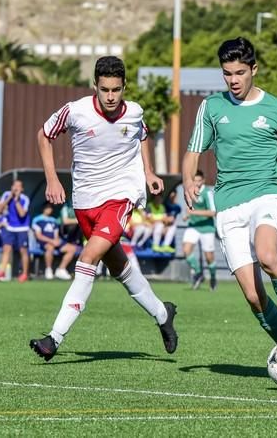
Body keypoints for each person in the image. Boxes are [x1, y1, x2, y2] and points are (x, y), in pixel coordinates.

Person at [182, 37, 277, 357]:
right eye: (227, 73)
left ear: (254, 69)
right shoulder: (212, 107)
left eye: (240, 73)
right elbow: (193, 151)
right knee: (252, 294)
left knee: (268, 256)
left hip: (266, 194)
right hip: (228, 204)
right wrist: (187, 179)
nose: (233, 80)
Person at [30, 55, 178, 362]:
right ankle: (163, 314)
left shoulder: (134, 112)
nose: (111, 96)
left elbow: (142, 135)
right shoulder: (75, 112)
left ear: (124, 87)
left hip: (121, 195)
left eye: (116, 90)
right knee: (120, 269)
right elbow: (44, 136)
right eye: (105, 89)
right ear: (94, 86)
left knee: (88, 258)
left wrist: (149, 173)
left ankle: (54, 338)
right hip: (85, 201)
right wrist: (52, 178)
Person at [181, 170, 217, 291]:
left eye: (198, 180)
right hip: (193, 226)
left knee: (209, 257)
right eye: (194, 180)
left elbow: (213, 212)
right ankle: (198, 273)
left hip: (207, 228)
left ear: (203, 181)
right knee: (186, 250)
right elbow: (189, 207)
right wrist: (187, 215)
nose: (196, 183)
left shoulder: (207, 193)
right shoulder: (190, 190)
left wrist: (194, 212)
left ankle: (212, 277)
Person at [0, 179, 31, 282]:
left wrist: (16, 200)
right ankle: (2, 271)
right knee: (6, 248)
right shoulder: (6, 195)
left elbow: (22, 214)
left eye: (18, 186)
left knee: (23, 250)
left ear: (22, 189)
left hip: (22, 228)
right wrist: (10, 197)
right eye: (14, 186)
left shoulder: (25, 199)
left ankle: (24, 274)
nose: (16, 188)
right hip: (10, 227)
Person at [32, 203, 76, 280]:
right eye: (47, 208)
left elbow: (56, 234)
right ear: (43, 209)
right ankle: (48, 270)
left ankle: (61, 269)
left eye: (50, 208)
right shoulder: (37, 219)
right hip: (43, 242)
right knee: (50, 247)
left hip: (54, 241)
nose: (49, 210)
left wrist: (56, 240)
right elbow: (39, 236)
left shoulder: (53, 220)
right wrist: (52, 241)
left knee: (72, 248)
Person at [160, 189, 182, 253]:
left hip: (170, 226)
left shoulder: (178, 207)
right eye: (171, 196)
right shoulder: (165, 205)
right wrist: (166, 223)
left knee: (173, 226)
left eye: (174, 196)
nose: (173, 198)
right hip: (163, 225)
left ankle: (165, 246)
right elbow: (162, 217)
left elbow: (178, 218)